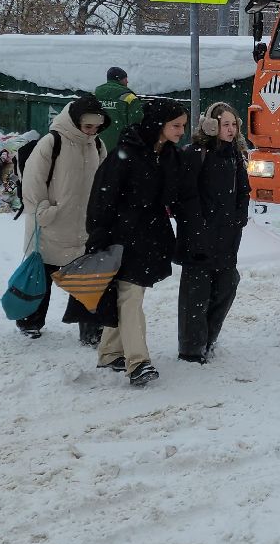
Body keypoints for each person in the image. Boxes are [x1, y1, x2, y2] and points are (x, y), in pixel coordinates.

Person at [86, 96, 188, 385]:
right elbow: (101, 199)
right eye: (176, 125)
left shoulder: (168, 154)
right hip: (120, 237)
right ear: (159, 124)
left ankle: (109, 352)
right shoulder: (125, 154)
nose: (181, 131)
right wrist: (98, 235)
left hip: (150, 238)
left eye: (183, 125)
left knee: (129, 294)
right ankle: (138, 362)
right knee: (130, 296)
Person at [15, 95, 111, 343]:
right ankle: (31, 321)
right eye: (87, 126)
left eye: (96, 127)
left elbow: (103, 182)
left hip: (84, 225)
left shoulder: (97, 146)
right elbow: (33, 181)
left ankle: (90, 329)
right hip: (52, 222)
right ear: (75, 120)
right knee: (42, 274)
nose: (91, 131)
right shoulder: (52, 142)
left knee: (86, 280)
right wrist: (43, 211)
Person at [174, 102, 249, 362]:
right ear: (211, 125)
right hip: (199, 239)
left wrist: (239, 218)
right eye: (225, 124)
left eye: (234, 124)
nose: (230, 129)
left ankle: (208, 339)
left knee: (226, 286)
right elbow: (184, 197)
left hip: (227, 238)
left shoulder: (236, 155)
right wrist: (198, 226)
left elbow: (244, 191)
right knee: (196, 294)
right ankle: (191, 350)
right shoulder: (196, 153)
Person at [94, 66, 139, 151]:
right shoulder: (129, 97)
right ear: (120, 80)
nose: (127, 81)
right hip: (120, 147)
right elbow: (137, 120)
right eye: (126, 79)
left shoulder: (95, 95)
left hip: (97, 146)